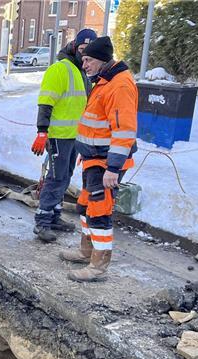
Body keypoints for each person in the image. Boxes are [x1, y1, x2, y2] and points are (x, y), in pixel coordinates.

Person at [60, 36, 138, 282]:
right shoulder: (105, 81)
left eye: (88, 60)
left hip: (107, 163)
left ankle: (98, 266)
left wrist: (113, 168)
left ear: (103, 60)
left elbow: (124, 130)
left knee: (99, 211)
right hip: (95, 159)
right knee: (85, 206)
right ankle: (87, 252)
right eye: (83, 60)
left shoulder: (120, 86)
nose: (85, 65)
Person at [31, 29, 97, 243]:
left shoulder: (83, 73)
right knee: (56, 178)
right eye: (82, 50)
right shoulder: (60, 69)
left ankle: (54, 216)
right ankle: (42, 221)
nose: (85, 55)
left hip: (75, 137)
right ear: (74, 47)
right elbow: (46, 102)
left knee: (65, 177)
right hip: (58, 136)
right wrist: (42, 132)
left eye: (89, 52)